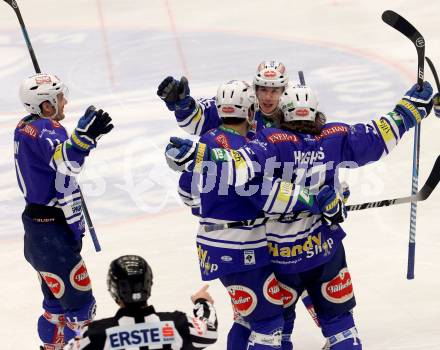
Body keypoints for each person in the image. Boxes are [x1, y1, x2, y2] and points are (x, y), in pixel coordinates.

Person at [165, 81, 436, 349]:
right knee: (340, 324)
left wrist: (201, 155)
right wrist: (409, 109)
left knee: (268, 327)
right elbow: (375, 137)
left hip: (277, 254)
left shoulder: (267, 142)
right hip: (323, 248)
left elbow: (245, 176)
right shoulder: (335, 135)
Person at [165, 80, 346, 349]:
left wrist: (215, 205)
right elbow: (267, 193)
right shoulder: (251, 148)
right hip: (243, 245)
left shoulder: (208, 141)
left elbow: (188, 196)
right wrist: (313, 199)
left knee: (247, 318)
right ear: (251, 111)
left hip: (215, 243)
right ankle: (337, 331)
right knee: (269, 323)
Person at [14, 73, 114, 349]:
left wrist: (81, 140)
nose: (65, 101)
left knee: (55, 309)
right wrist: (83, 138)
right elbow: (65, 163)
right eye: (59, 97)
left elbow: (56, 161)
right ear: (46, 106)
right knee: (82, 310)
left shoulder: (24, 127)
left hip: (38, 231)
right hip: (53, 235)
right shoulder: (49, 130)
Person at [65, 255, 218, 349]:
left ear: (114, 290)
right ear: (148, 284)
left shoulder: (95, 334)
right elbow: (209, 330)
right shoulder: (178, 324)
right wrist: (202, 301)